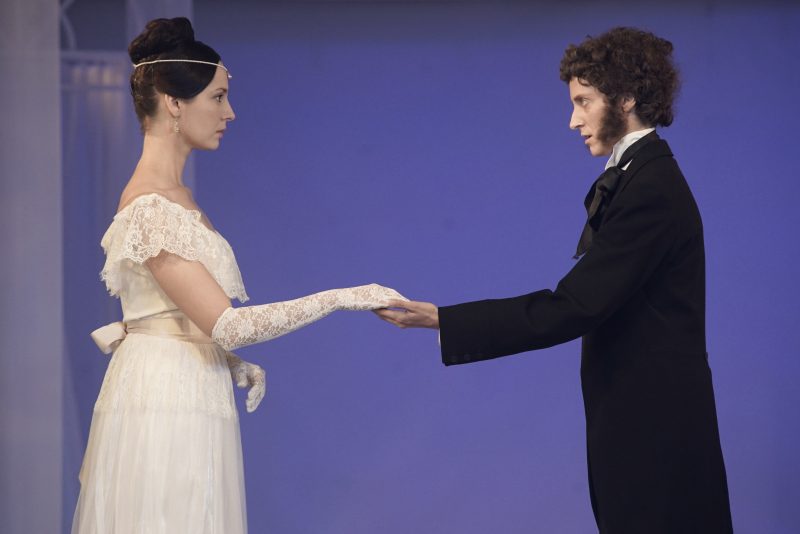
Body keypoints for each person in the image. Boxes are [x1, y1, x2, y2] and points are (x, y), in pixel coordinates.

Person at [377, 27, 733, 533]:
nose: (573, 120)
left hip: (656, 434)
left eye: (584, 101)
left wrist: (445, 320)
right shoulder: (640, 177)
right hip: (641, 425)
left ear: (626, 98)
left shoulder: (651, 188)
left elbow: (573, 306)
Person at [71, 17, 403, 534]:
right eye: (218, 97)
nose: (230, 112)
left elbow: (178, 313)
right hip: (164, 397)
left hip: (187, 386)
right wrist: (340, 297)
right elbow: (228, 324)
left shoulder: (175, 197)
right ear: (174, 102)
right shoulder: (151, 207)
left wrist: (223, 360)